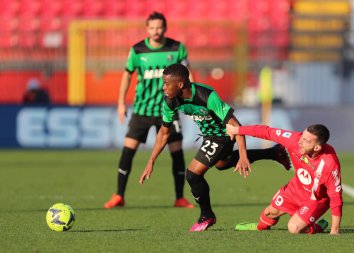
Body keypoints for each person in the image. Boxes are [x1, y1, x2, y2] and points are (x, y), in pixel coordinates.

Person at [139, 63, 291, 232]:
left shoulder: (207, 95)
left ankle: (206, 216)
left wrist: (242, 155)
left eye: (166, 83)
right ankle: (274, 152)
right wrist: (151, 160)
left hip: (224, 135)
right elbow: (164, 133)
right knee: (222, 164)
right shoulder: (170, 100)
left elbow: (235, 125)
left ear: (180, 84)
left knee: (193, 175)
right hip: (209, 137)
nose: (163, 87)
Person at [104, 12, 195, 209]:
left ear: (165, 28)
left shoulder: (177, 48)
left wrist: (194, 100)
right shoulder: (137, 50)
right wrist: (121, 102)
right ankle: (119, 195)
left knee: (177, 153)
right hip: (142, 110)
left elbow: (188, 76)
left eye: (159, 27)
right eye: (152, 28)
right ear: (147, 29)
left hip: (169, 109)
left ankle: (179, 197)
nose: (156, 31)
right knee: (128, 151)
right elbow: (127, 76)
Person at [227, 123, 343, 235]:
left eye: (306, 141)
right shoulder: (294, 139)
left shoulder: (329, 163)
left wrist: (335, 231)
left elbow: (336, 198)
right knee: (268, 213)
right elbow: (267, 132)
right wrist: (237, 130)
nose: (300, 142)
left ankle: (317, 227)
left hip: (316, 198)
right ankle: (259, 227)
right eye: (302, 136)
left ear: (317, 147)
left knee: (294, 228)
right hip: (296, 189)